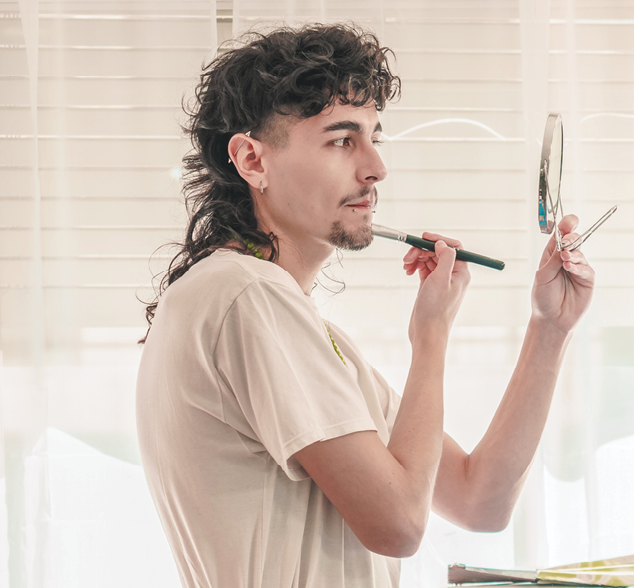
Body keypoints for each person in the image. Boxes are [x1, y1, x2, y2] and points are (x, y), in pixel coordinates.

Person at [136, 23, 594, 588]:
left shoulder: (291, 323)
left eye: (375, 137)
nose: (376, 167)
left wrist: (551, 327)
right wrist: (430, 336)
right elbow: (399, 525)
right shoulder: (248, 296)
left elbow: (481, 500)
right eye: (341, 140)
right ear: (252, 160)